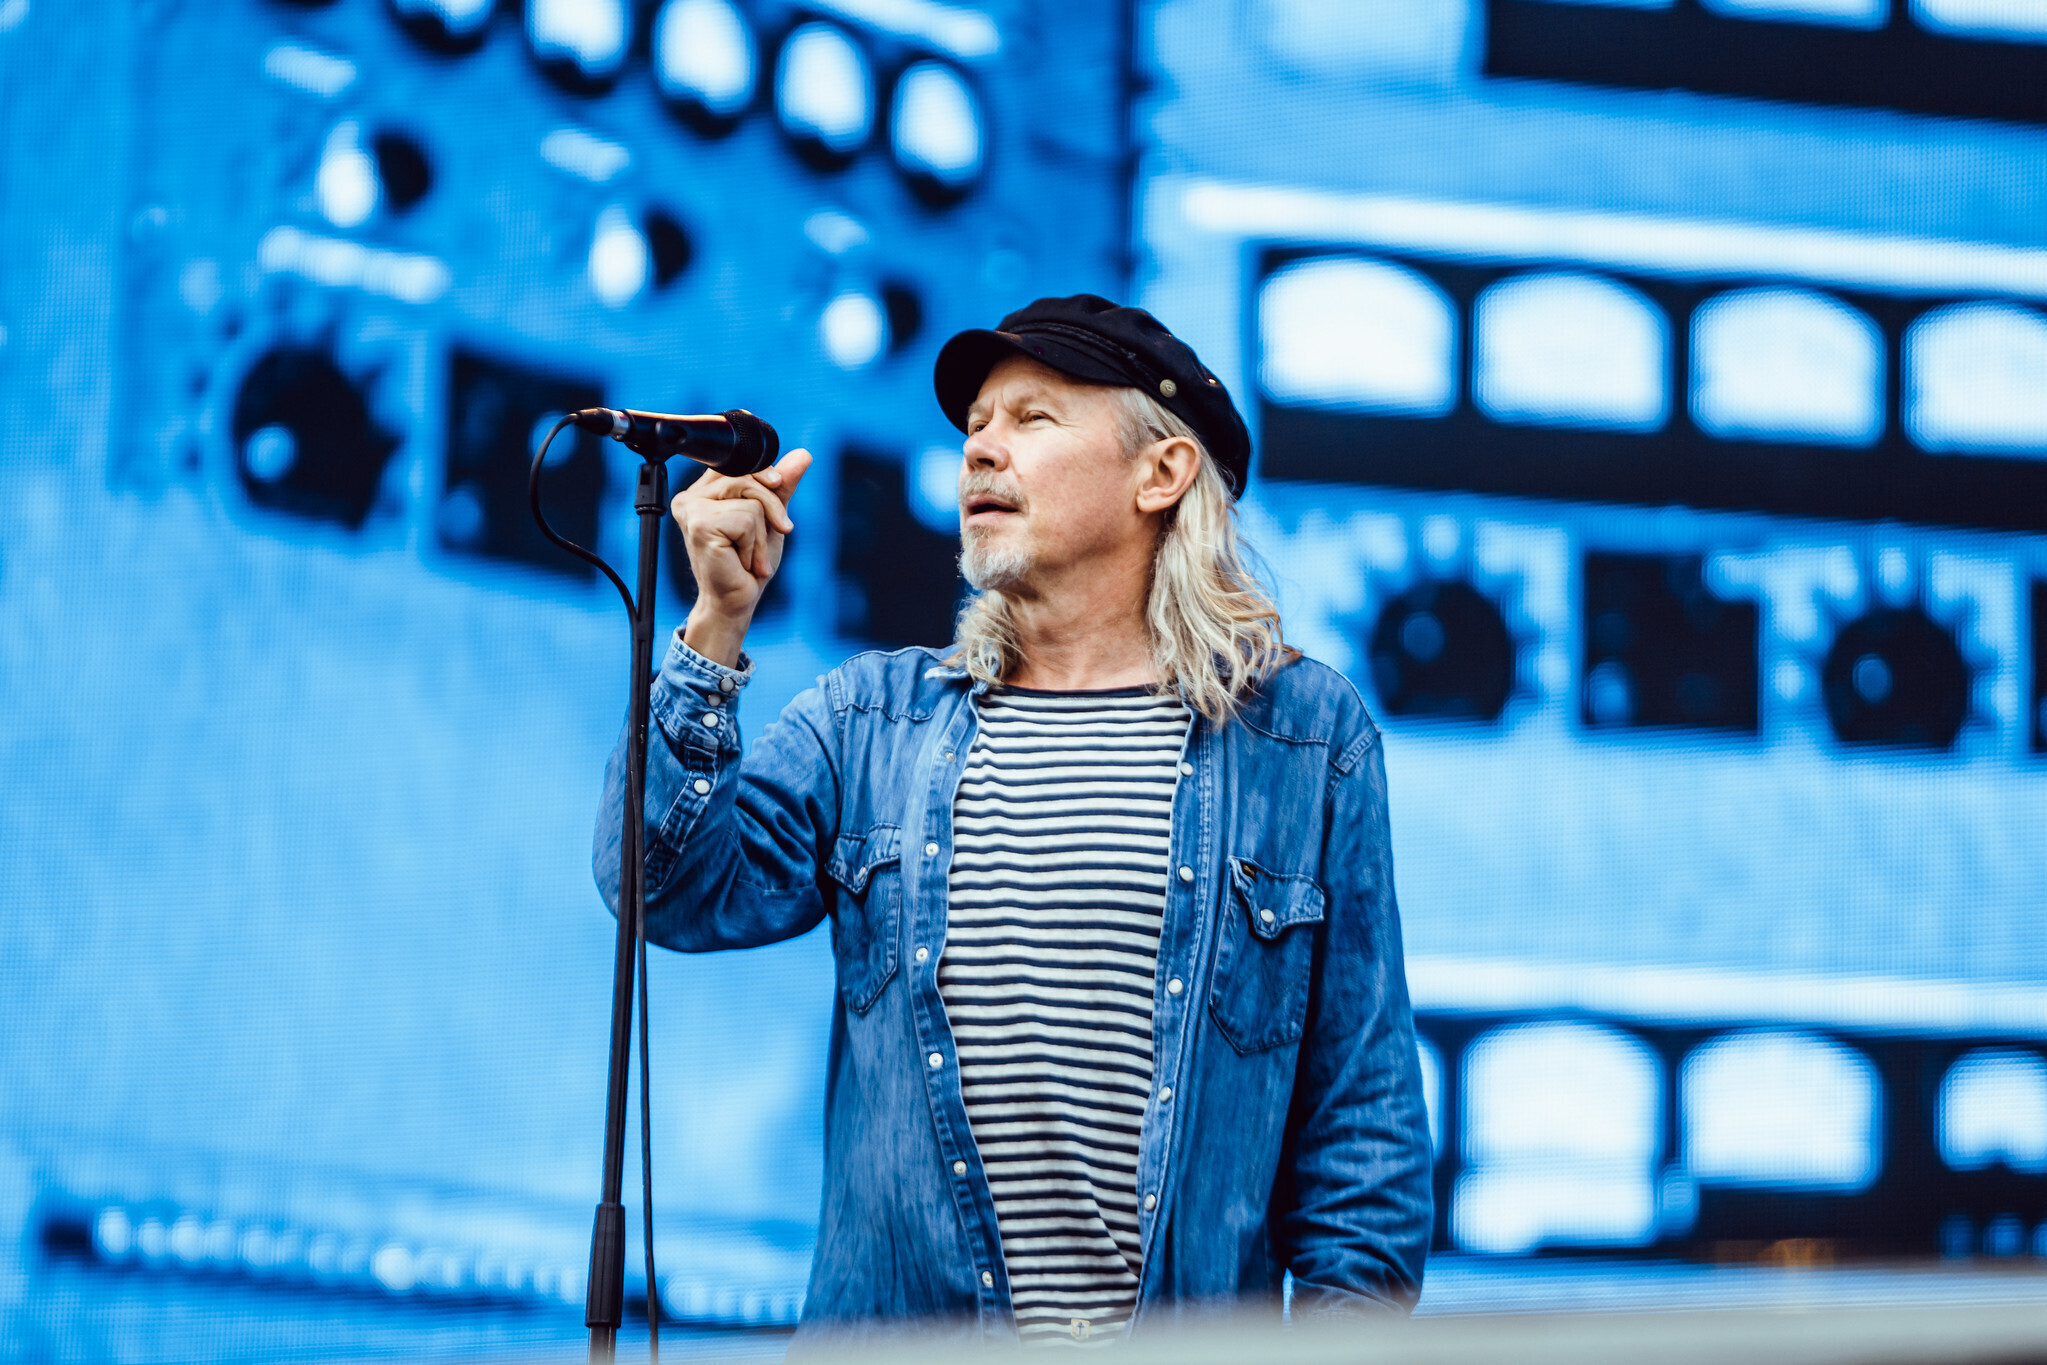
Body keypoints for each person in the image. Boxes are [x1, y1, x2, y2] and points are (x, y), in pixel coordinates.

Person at [594, 295, 1433, 1348]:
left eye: (1032, 419)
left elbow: (1361, 1138)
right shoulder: (870, 722)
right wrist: (715, 625)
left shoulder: (1304, 739)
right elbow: (660, 889)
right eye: (975, 426)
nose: (980, 450)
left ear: (1162, 473)